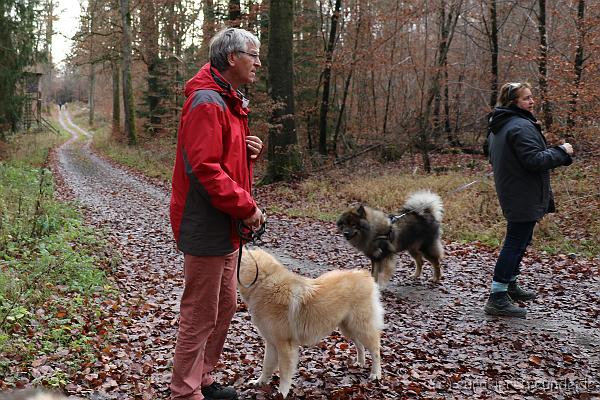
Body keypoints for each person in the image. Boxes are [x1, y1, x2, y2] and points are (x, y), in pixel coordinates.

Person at [169, 27, 265, 400]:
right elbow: (205, 169)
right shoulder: (208, 101)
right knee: (200, 312)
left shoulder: (228, 100)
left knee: (224, 305)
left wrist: (245, 148)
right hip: (205, 220)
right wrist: (247, 206)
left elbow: (221, 157)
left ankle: (202, 377)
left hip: (225, 222)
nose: (258, 63)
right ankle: (184, 391)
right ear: (232, 58)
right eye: (252, 55)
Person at [484, 82, 573, 317]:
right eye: (526, 98)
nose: (532, 102)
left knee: (521, 241)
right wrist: (562, 151)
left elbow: (492, 154)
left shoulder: (499, 124)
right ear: (514, 102)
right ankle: (497, 296)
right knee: (514, 243)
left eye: (532, 97)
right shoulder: (519, 126)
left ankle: (510, 284)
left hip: (515, 190)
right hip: (522, 193)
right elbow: (535, 160)